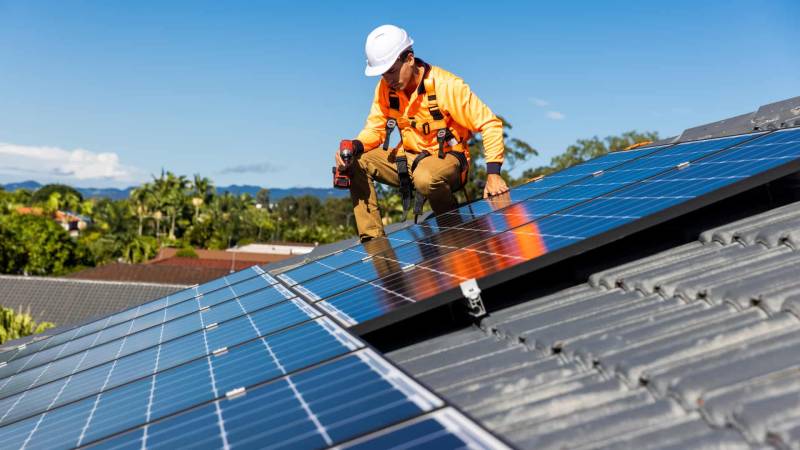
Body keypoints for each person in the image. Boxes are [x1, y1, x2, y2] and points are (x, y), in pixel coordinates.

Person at [336, 24, 509, 242]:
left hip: (447, 160)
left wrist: (493, 174)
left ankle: (452, 229)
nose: (387, 79)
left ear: (409, 58)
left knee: (425, 176)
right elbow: (375, 129)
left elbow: (490, 123)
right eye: (382, 73)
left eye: (391, 70)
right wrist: (354, 147)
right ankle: (374, 243)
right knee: (358, 161)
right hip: (409, 159)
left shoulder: (446, 85)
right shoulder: (385, 89)